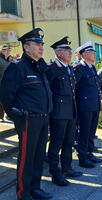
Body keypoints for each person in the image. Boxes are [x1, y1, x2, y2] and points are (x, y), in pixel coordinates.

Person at [0, 28, 53, 200]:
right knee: (26, 158)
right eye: (37, 44)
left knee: (38, 157)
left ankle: (35, 188)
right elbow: (6, 95)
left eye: (41, 45)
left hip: (43, 119)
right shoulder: (17, 67)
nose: (41, 48)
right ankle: (23, 193)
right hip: (28, 120)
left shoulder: (39, 67)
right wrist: (16, 115)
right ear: (26, 47)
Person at [46, 36, 82, 186]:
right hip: (58, 113)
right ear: (58, 52)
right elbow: (48, 92)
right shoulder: (52, 69)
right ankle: (55, 173)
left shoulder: (69, 68)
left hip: (71, 111)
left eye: (71, 50)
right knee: (56, 144)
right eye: (67, 50)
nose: (70, 53)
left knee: (68, 142)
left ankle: (67, 168)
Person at [74, 41, 102, 169]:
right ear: (84, 54)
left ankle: (90, 153)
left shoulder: (92, 68)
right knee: (84, 132)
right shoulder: (79, 68)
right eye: (92, 52)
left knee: (91, 132)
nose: (95, 54)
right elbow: (75, 88)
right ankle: (82, 157)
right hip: (84, 106)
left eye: (95, 52)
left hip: (94, 105)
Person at [0, 44, 11, 122]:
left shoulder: (8, 60)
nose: (8, 51)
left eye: (9, 50)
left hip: (7, 85)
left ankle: (7, 116)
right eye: (5, 50)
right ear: (1, 51)